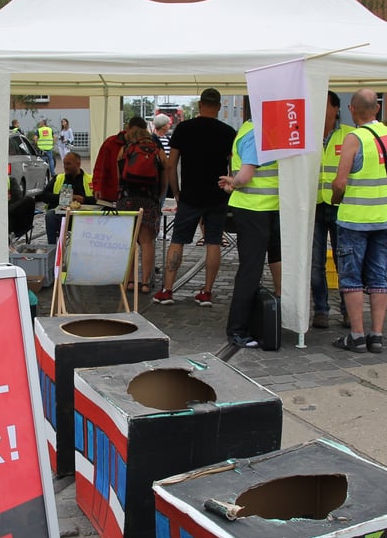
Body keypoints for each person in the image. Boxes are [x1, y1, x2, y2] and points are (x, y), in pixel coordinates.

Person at [331, 89, 387, 354]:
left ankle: (357, 336)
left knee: (351, 278)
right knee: (378, 276)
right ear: (377, 109)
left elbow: (340, 182)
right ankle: (377, 335)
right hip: (384, 219)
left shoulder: (354, 138)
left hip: (354, 220)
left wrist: (336, 198)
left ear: (351, 109)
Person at [153, 88, 237, 307]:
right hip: (217, 195)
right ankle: (207, 292)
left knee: (178, 240)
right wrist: (230, 186)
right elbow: (234, 166)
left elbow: (171, 165)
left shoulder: (184, 128)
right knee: (213, 242)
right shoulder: (228, 132)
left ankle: (167, 290)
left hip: (190, 195)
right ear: (219, 107)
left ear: (200, 104)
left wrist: (176, 192)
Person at [218, 102, 281, 348]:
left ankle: (251, 323)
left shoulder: (246, 128)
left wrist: (233, 183)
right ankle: (237, 330)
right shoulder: (258, 134)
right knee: (250, 271)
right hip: (256, 210)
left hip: (260, 209)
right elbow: (246, 175)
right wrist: (235, 181)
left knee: (255, 267)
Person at [312, 91, 353, 329]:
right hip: (316, 206)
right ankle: (321, 309)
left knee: (343, 260)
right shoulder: (307, 136)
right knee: (315, 263)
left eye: (323, 104)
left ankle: (348, 310)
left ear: (336, 108)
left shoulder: (349, 136)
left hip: (341, 206)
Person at [117, 121, 165, 293]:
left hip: (127, 200)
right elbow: (164, 179)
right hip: (149, 201)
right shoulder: (158, 152)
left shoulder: (124, 151)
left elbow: (119, 178)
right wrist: (157, 197)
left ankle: (130, 281)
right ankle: (145, 283)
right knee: (146, 242)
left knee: (129, 242)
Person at [42, 151, 95, 244]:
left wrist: (83, 199)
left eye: (68, 164)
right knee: (50, 215)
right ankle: (53, 249)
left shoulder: (91, 180)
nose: (65, 167)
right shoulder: (58, 178)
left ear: (78, 164)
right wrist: (63, 198)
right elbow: (44, 195)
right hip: (62, 216)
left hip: (85, 217)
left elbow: (99, 199)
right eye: (64, 163)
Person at [93, 116, 145, 207]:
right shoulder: (111, 143)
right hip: (110, 195)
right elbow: (100, 166)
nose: (136, 136)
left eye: (140, 133)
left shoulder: (142, 146)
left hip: (132, 196)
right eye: (134, 132)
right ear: (128, 128)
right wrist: (97, 187)